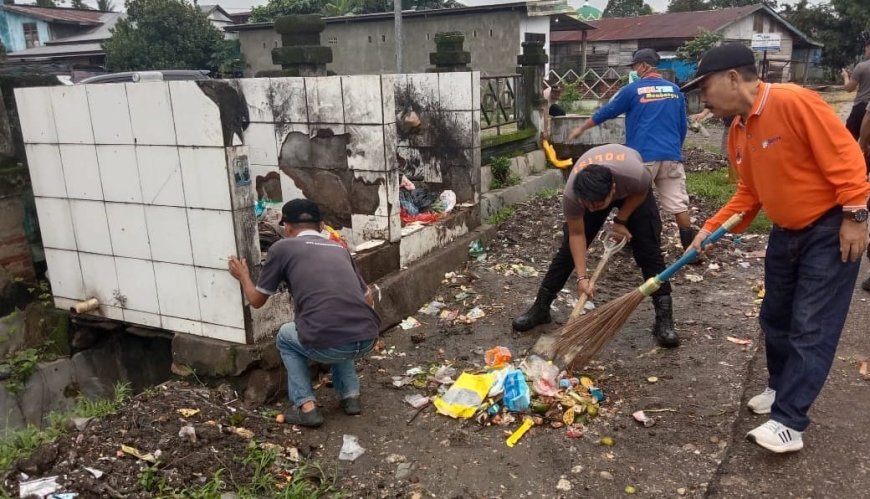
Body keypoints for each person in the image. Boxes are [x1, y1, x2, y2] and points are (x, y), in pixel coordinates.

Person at [683, 43, 870, 453]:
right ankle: (779, 387)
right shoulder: (738, 129)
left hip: (828, 229)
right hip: (786, 232)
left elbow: (848, 159)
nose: (704, 99)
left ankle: (789, 421)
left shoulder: (794, 102)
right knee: (776, 317)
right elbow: (749, 193)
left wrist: (856, 218)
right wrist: (709, 230)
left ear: (733, 77)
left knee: (812, 324)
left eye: (706, 87)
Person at [228, 199, 380, 427]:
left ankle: (306, 407)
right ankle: (351, 397)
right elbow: (367, 298)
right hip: (367, 338)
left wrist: (243, 277)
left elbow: (257, 301)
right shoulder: (339, 249)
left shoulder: (282, 248)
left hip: (333, 342)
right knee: (338, 324)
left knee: (285, 337)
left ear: (287, 227)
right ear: (321, 226)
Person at [511, 144, 680, 348]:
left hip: (634, 191)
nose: (592, 209)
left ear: (613, 191)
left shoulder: (636, 175)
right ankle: (540, 308)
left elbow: (641, 191)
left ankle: (664, 318)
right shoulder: (573, 196)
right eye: (588, 206)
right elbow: (577, 234)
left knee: (649, 251)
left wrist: (621, 220)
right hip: (594, 192)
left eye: (597, 206)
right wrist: (582, 278)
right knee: (567, 253)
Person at [568, 48, 698, 251]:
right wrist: (675, 149)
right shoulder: (675, 91)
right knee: (679, 205)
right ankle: (691, 249)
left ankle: (628, 240)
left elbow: (607, 112)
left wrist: (582, 128)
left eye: (636, 66)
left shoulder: (632, 90)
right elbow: (682, 125)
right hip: (671, 156)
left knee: (633, 199)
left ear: (644, 66)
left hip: (642, 157)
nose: (635, 70)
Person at [842, 41, 870, 140]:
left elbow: (849, 88)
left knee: (850, 138)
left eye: (866, 48)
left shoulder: (861, 66)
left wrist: (845, 76)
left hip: (862, 107)